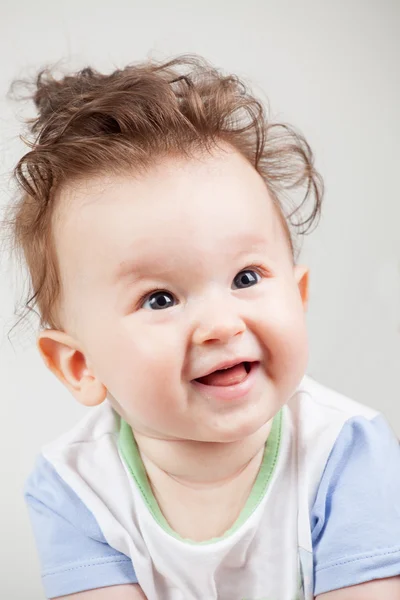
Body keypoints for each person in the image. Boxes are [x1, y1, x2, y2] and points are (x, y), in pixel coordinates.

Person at [6, 55, 400, 600]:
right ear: (80, 365)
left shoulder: (345, 450)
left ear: (297, 296)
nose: (219, 325)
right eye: (159, 298)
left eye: (246, 277)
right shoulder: (74, 486)